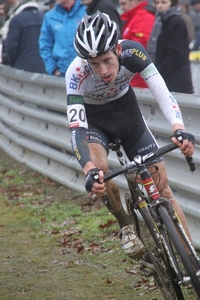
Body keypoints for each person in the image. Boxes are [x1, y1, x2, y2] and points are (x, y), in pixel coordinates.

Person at [65, 11, 195, 259]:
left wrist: (178, 126)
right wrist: (89, 169)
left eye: (107, 60)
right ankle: (125, 223)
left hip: (127, 115)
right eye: (95, 64)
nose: (103, 70)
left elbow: (161, 92)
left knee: (163, 191)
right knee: (100, 168)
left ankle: (192, 262)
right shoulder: (76, 72)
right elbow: (77, 127)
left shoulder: (133, 52)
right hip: (95, 123)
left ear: (117, 48)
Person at [147, 0, 194, 94]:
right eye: (157, 3)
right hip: (165, 77)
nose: (159, 6)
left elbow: (176, 54)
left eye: (164, 3)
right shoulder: (160, 21)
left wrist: (158, 73)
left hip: (175, 80)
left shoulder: (176, 22)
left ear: (172, 3)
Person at [39, 0, 86, 77]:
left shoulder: (86, 11)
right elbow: (45, 46)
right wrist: (53, 70)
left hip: (86, 73)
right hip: (62, 74)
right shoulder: (49, 16)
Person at [1, 0, 46, 73]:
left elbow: (11, 47)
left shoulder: (16, 20)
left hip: (22, 68)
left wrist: (6, 61)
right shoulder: (44, 18)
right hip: (44, 67)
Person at [119, 0, 155, 87]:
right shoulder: (130, 17)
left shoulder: (144, 17)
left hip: (138, 75)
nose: (121, 8)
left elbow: (139, 48)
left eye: (124, 4)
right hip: (131, 73)